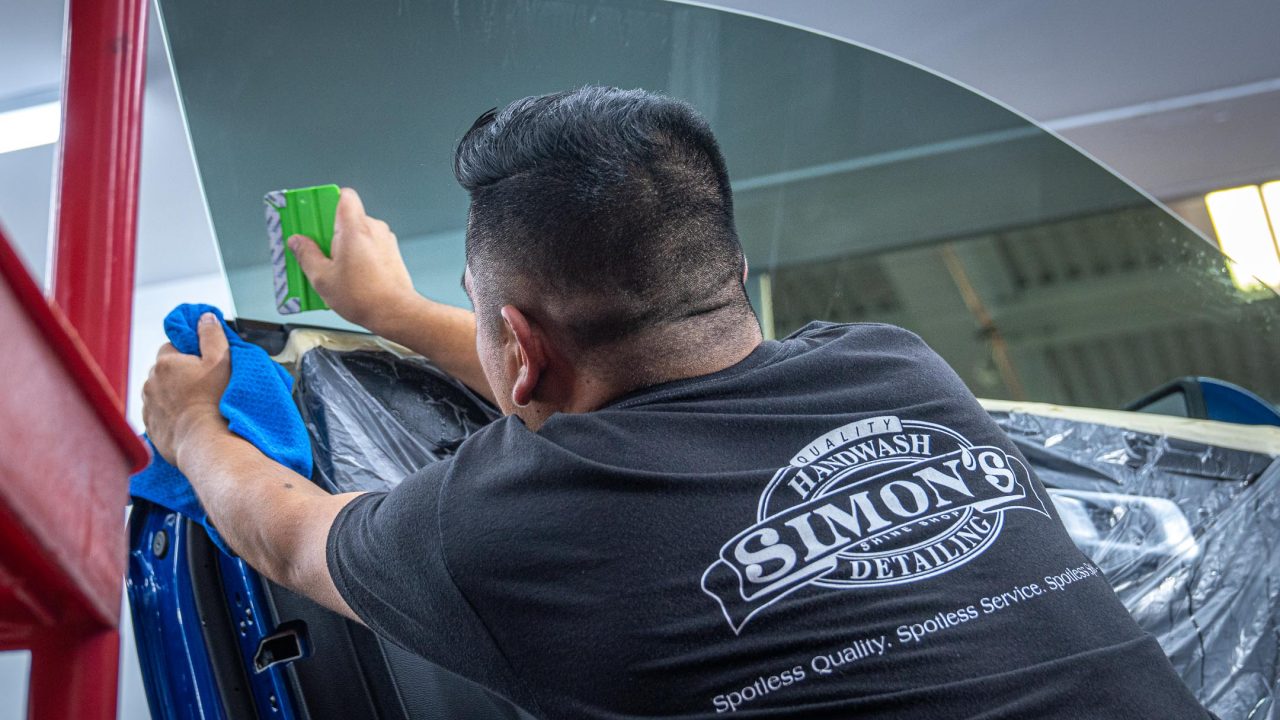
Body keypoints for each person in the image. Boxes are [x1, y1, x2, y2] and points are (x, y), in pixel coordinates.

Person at [142, 86, 1213, 719]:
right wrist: (394, 312)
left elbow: (287, 540)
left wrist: (190, 423)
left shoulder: (510, 534)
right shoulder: (895, 371)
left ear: (517, 344)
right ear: (728, 270)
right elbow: (605, 400)